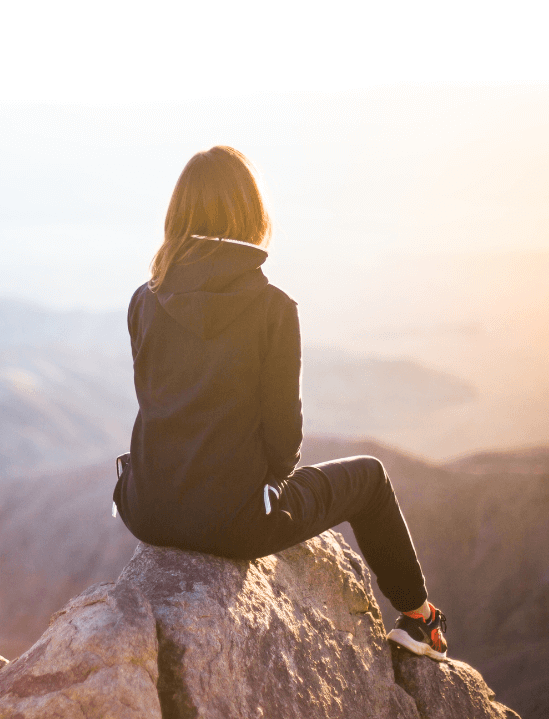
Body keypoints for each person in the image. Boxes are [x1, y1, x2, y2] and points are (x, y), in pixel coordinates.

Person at [113, 145, 448, 660]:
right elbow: (285, 445)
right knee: (372, 478)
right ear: (251, 214)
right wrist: (260, 491)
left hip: (146, 508)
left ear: (177, 215)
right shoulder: (273, 309)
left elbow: (156, 403)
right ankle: (419, 619)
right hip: (236, 523)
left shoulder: (144, 298)